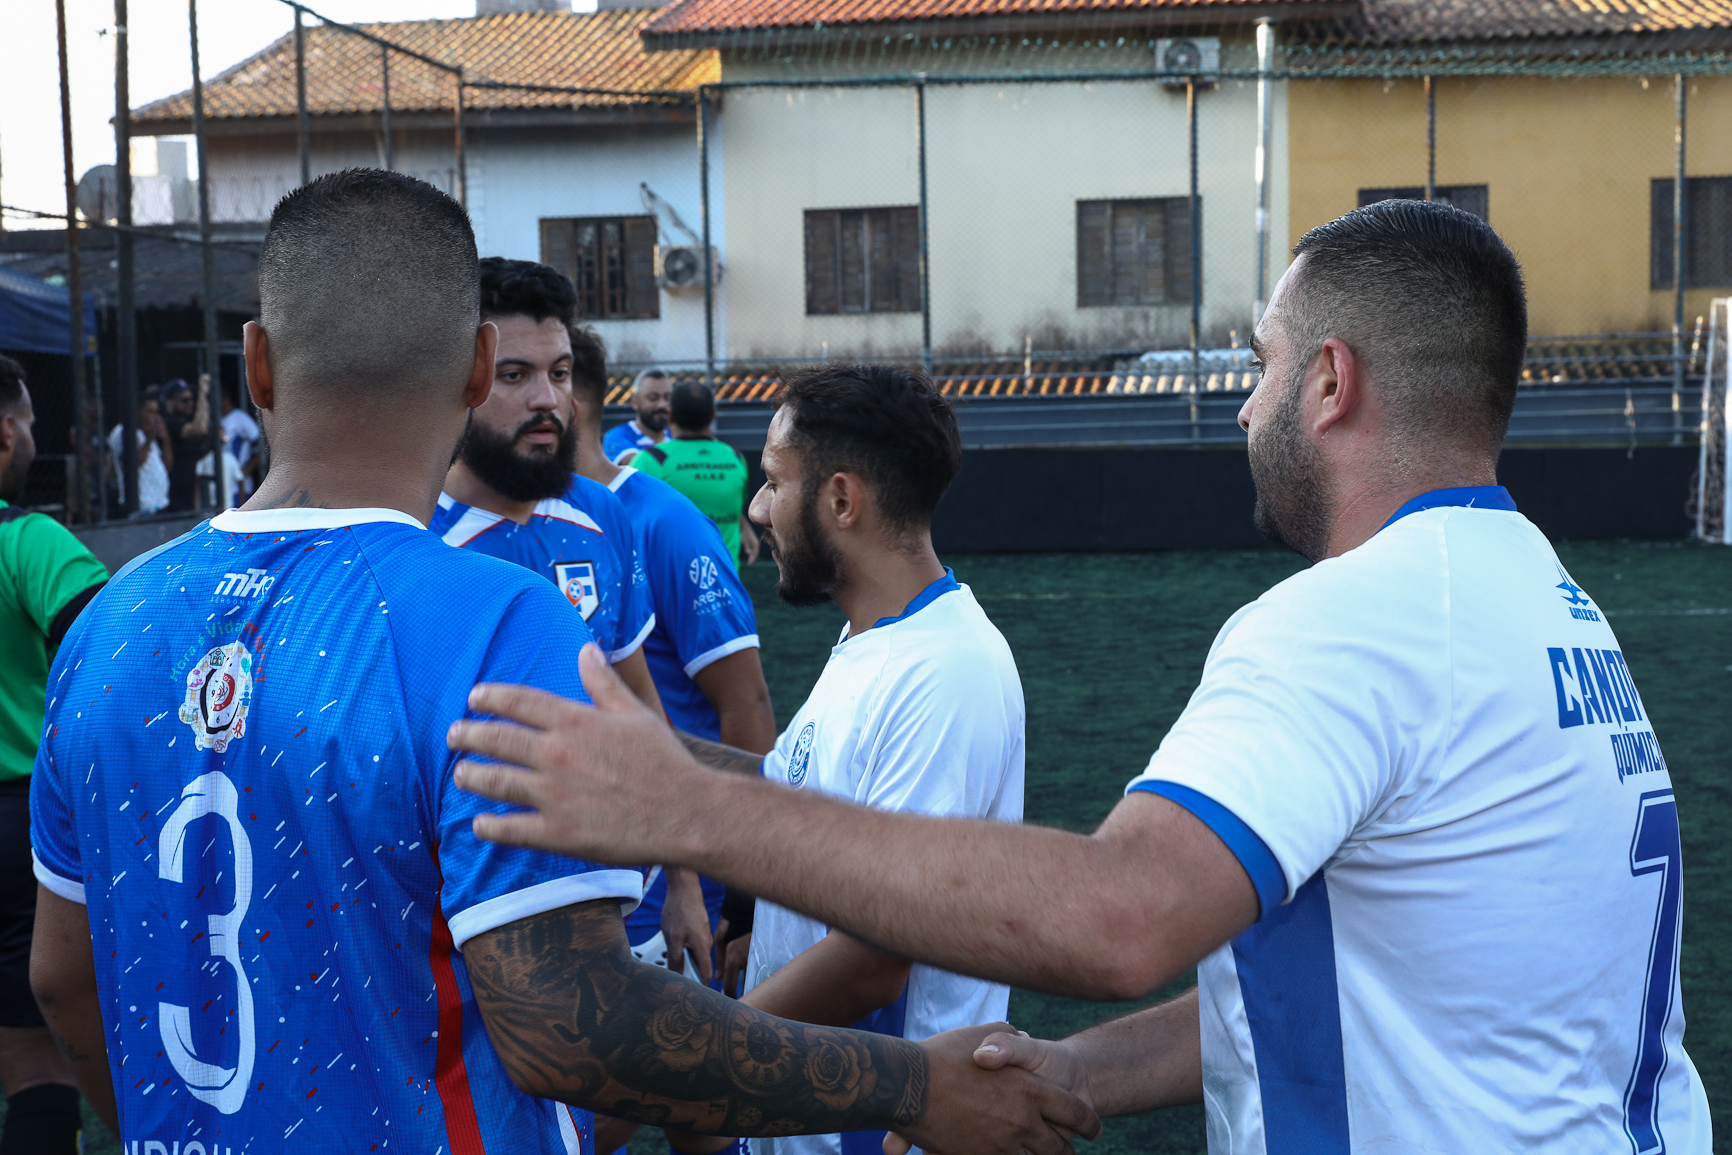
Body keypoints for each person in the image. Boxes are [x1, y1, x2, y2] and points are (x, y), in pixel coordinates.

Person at [448, 199, 1714, 1153]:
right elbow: (1400, 985)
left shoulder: (1358, 620)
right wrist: (1078, 1073)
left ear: (1331, 383)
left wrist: (686, 812)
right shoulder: (1544, 603)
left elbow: (1123, 916)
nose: (1240, 404)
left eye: (1262, 361)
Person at [27, 168, 1090, 1155]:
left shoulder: (102, 633)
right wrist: (913, 1086)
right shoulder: (494, 624)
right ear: (479, 364)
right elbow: (567, 1031)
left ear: (255, 362)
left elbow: (63, 980)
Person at [682, 363, 1026, 1155]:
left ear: (841, 500)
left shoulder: (945, 670)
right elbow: (791, 795)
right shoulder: (877, 638)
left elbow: (878, 958)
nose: (759, 509)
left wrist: (710, 1061)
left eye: (772, 481)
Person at [431, 256, 716, 992]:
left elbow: (641, 706)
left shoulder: (601, 517)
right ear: (458, 383)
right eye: (516, 375)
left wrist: (681, 879)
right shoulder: (414, 541)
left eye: (559, 374)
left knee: (615, 1103)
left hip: (617, 890)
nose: (548, 399)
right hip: (465, 911)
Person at [563, 324, 779, 1154]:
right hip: (552, 887)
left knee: (677, 1103)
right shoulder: (479, 524)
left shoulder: (657, 519)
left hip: (659, 891)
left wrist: (738, 894)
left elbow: (745, 702)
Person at [0, 354, 106, 1155]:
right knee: (40, 1056)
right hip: (15, 828)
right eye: (31, 421)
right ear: (5, 433)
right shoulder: (26, 539)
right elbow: (120, 648)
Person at [631, 382, 759, 569]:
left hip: (671, 585)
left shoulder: (650, 461)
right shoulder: (736, 458)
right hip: (727, 585)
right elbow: (732, 505)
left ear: (671, 415)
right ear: (713, 414)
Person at [107, 390, 172, 515]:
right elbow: (132, 465)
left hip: (160, 505)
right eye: (150, 412)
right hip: (141, 507)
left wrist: (165, 439)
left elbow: (167, 466)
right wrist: (149, 440)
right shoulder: (122, 432)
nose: (154, 417)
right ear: (138, 411)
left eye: (156, 413)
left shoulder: (146, 434)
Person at [158, 377, 210, 512]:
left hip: (193, 489)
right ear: (169, 401)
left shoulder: (187, 420)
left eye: (192, 399)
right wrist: (203, 394)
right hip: (174, 492)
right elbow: (199, 429)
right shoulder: (167, 422)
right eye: (184, 400)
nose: (190, 403)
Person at [605, 368, 671, 463]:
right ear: (635, 402)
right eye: (653, 398)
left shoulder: (677, 435)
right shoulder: (617, 436)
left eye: (667, 398)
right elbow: (637, 466)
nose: (662, 404)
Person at [221, 387, 262, 500]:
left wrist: (249, 468)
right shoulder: (218, 420)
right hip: (224, 485)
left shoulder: (240, 418)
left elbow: (261, 444)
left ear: (225, 398)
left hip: (241, 486)